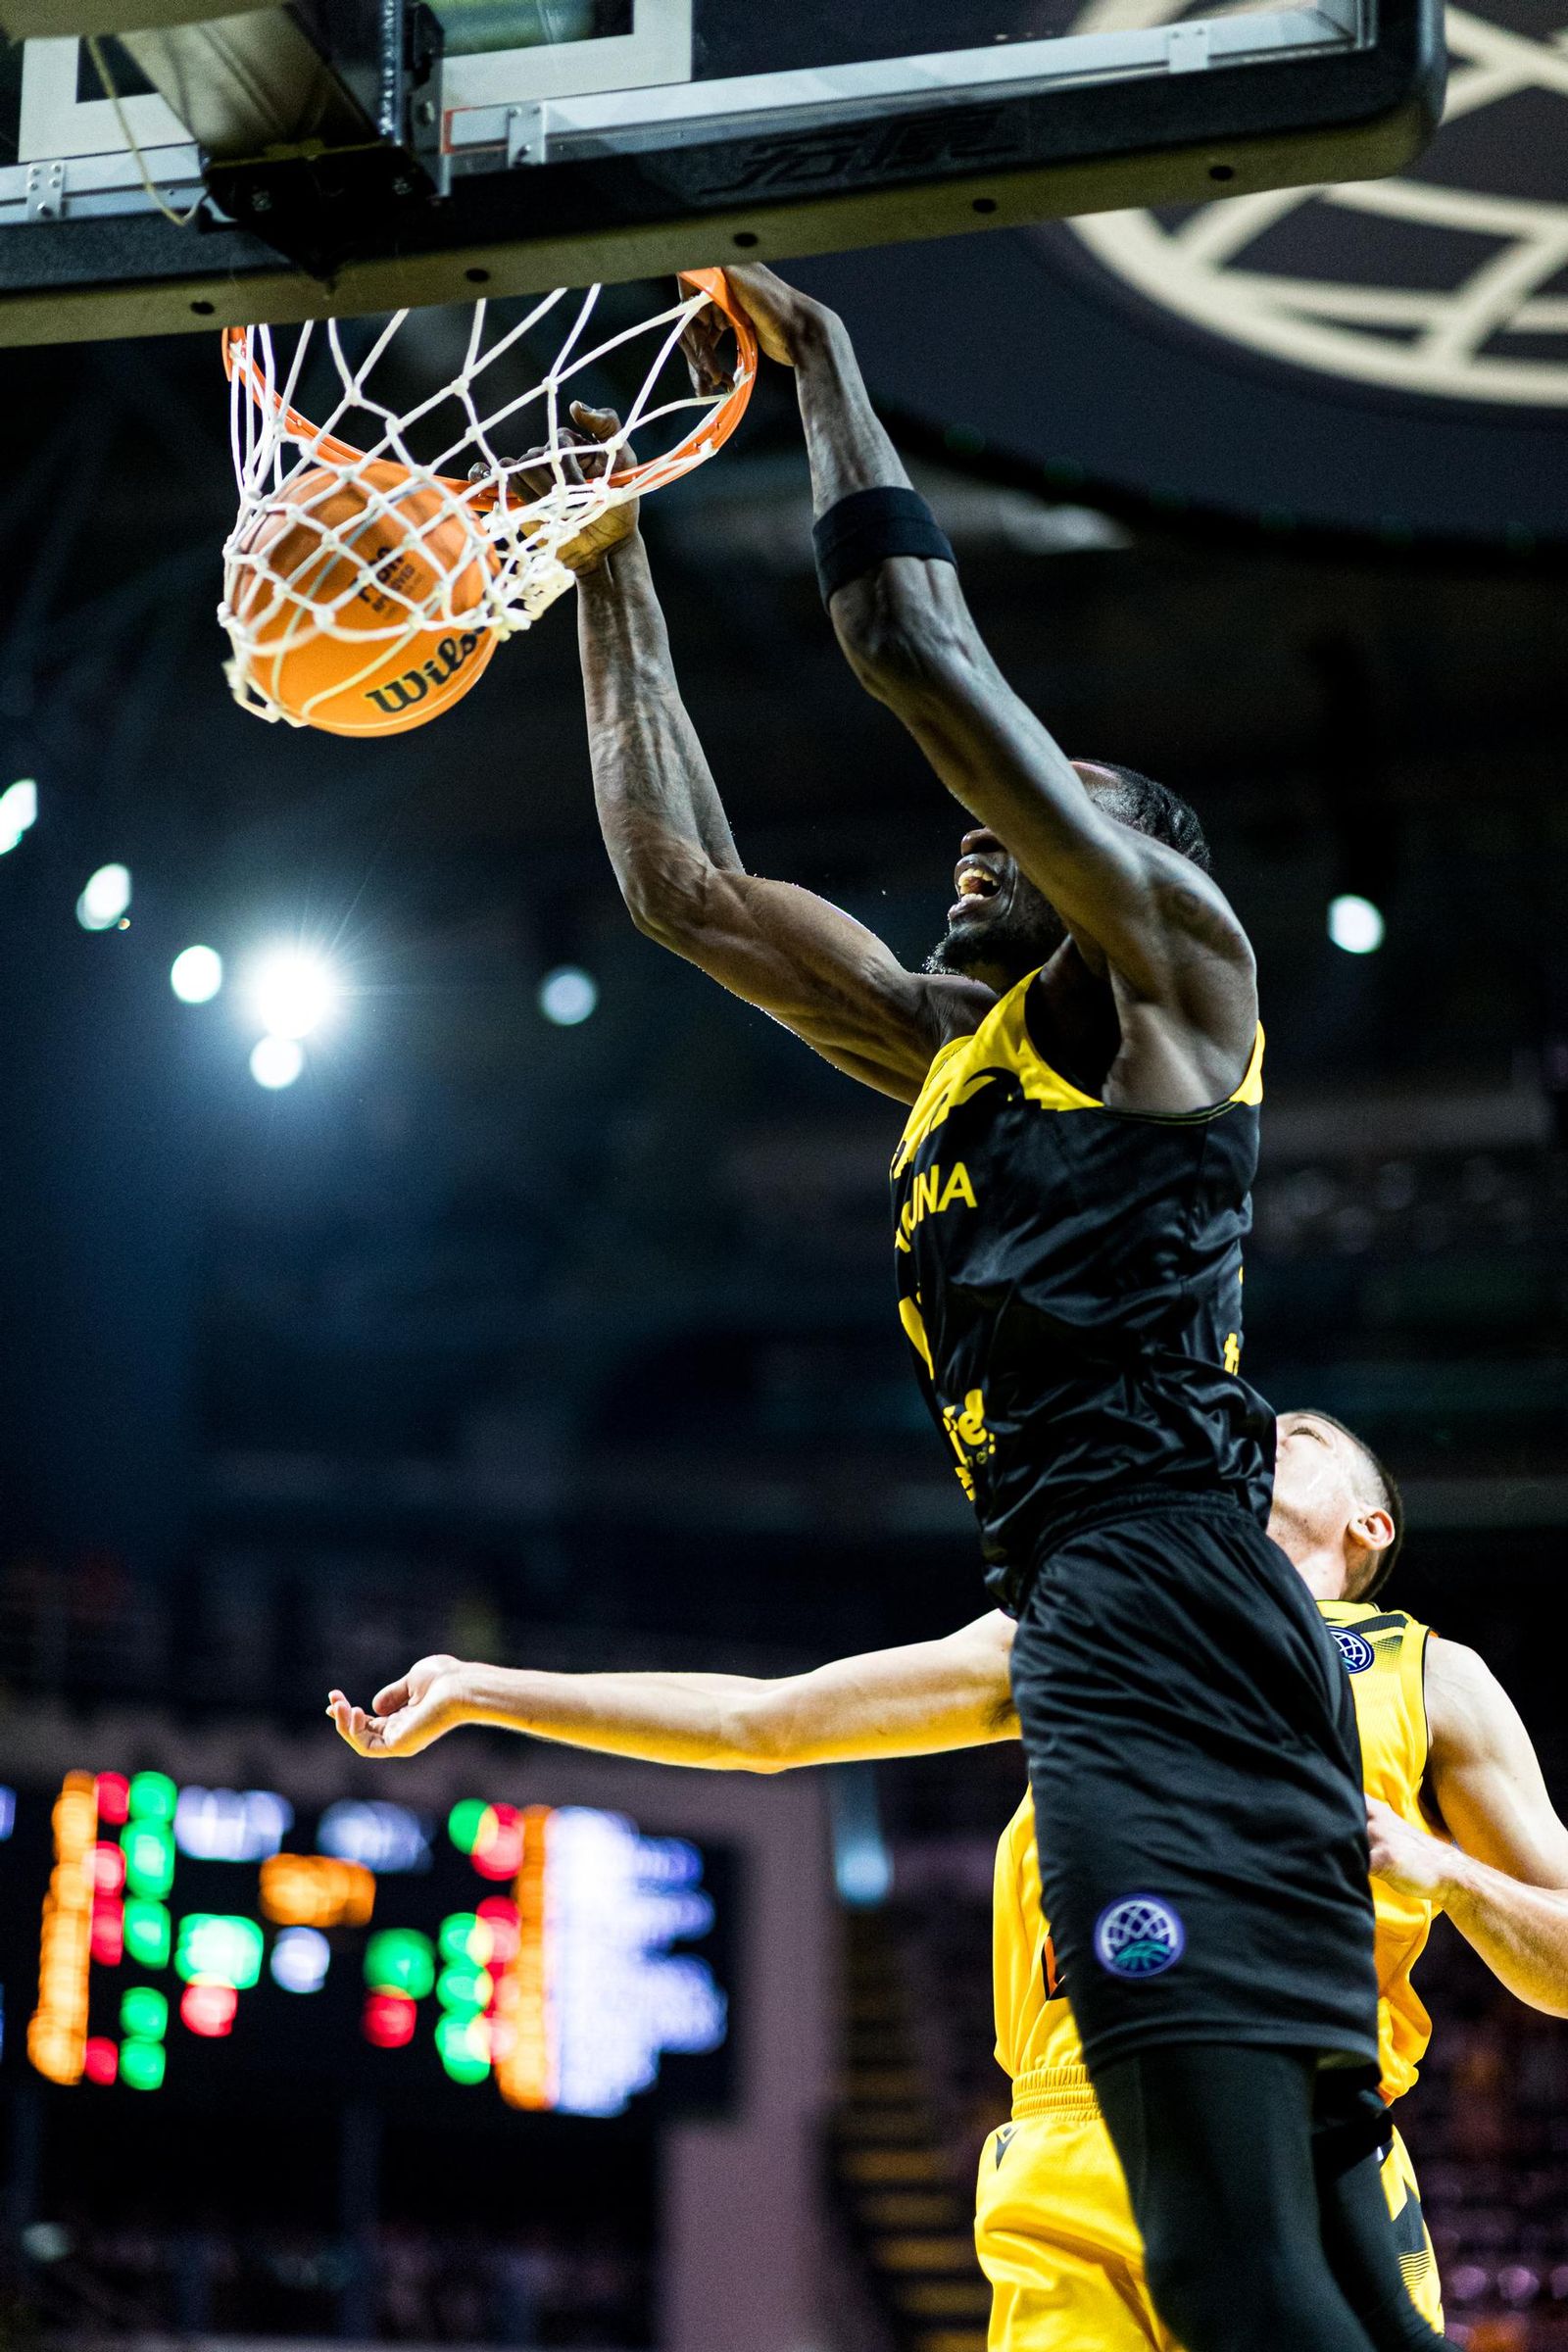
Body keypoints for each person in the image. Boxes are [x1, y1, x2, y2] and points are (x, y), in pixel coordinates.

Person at [536, 261, 1390, 2352]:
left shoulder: (1177, 970)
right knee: (1318, 2259)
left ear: (1129, 856)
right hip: (1168, 1610)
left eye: (1038, 805)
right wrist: (601, 552)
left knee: (1226, 2261)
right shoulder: (953, 1042)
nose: (970, 834)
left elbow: (914, 646)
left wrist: (822, 363)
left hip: (1148, 1605)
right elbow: (680, 887)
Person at [328, 1407, 1568, 2352]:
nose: (1266, 1434)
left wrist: (1443, 1870)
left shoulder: (1434, 1680)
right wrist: (490, 1690)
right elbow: (769, 1720)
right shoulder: (1083, 1622)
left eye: (1300, 1436)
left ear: (1371, 1528)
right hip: (1078, 2152)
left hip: (1314, 2141)